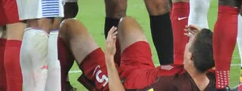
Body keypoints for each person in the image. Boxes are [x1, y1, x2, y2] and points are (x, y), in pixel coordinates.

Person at [58, 16, 216, 90]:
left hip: (121, 83)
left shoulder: (168, 85)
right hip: (143, 69)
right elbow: (215, 56)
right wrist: (204, 37)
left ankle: (62, 86)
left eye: (190, 43)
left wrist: (109, 59)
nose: (187, 42)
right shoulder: (211, 77)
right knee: (127, 23)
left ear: (190, 56)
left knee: (70, 26)